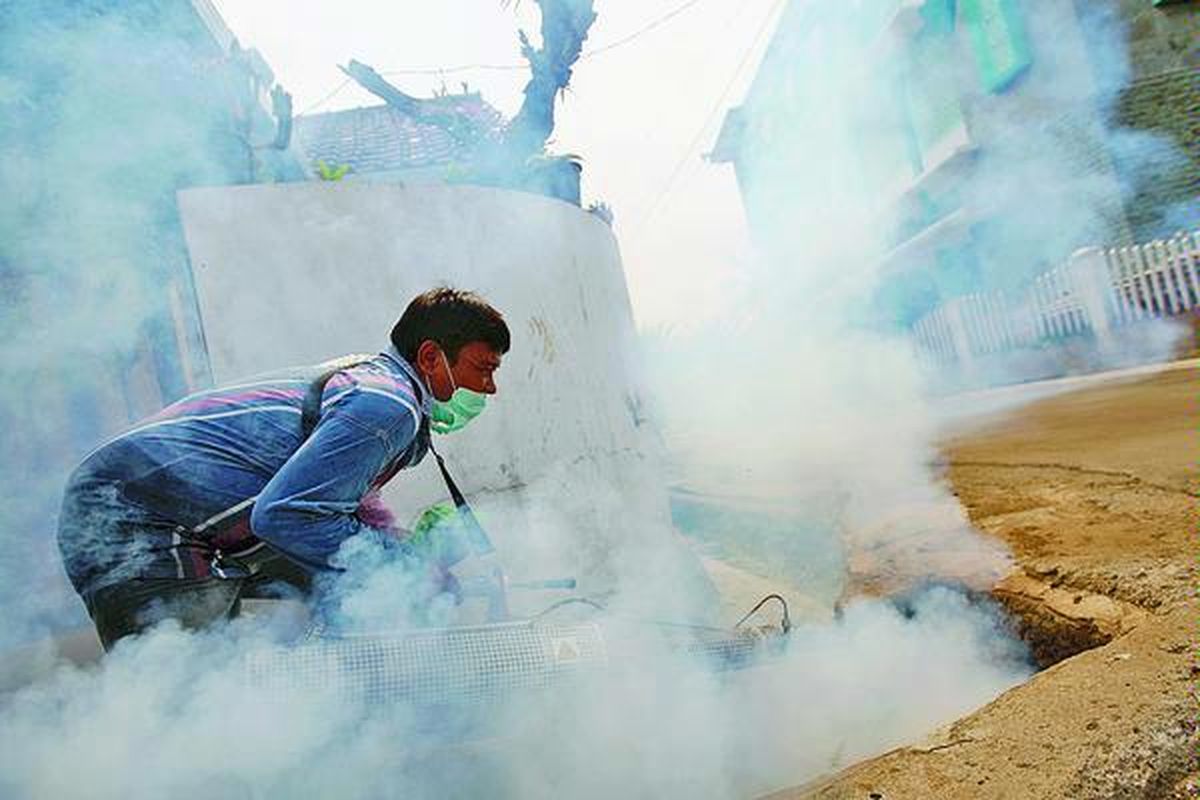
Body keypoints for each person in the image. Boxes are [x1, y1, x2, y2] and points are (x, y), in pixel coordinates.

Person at [57, 287, 509, 650]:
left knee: (354, 587)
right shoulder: (390, 404)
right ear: (430, 357)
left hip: (153, 507)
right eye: (482, 369)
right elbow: (287, 515)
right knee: (187, 692)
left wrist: (406, 553)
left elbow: (339, 506)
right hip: (133, 514)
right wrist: (407, 568)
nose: (489, 388)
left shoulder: (373, 384)